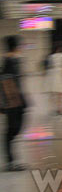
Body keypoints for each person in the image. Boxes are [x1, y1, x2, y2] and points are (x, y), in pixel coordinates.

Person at [2, 35, 27, 171]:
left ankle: (11, 161)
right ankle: (10, 162)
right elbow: (8, 84)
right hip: (13, 102)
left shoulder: (13, 60)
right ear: (16, 47)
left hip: (15, 101)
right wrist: (15, 103)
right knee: (12, 130)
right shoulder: (8, 61)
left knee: (13, 130)